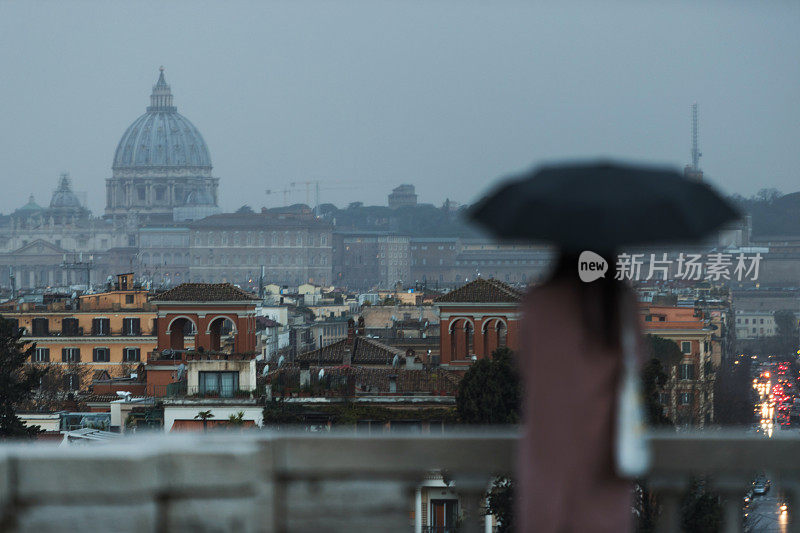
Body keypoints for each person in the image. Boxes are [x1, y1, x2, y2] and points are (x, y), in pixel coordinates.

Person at [517, 250, 638, 532]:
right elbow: (634, 370)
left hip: (548, 454)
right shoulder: (618, 304)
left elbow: (528, 368)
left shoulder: (539, 304)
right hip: (603, 458)